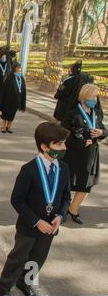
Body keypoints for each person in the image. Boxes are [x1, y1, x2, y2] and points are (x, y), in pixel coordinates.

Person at [0, 122, 71, 296]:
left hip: (50, 228)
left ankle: (25, 282)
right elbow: (17, 200)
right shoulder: (29, 170)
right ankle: (4, 287)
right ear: (45, 147)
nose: (64, 147)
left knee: (38, 258)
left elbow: (66, 196)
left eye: (64, 143)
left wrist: (60, 215)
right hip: (29, 227)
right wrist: (37, 222)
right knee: (18, 258)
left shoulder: (64, 169)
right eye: (59, 144)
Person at [61, 84, 107, 224]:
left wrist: (102, 133)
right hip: (74, 155)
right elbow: (63, 134)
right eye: (92, 97)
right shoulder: (73, 113)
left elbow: (104, 130)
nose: (94, 99)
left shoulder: (97, 113)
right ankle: (61, 210)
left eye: (95, 97)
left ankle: (73, 210)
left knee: (86, 185)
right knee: (68, 184)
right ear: (84, 97)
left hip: (91, 155)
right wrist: (79, 143)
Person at [0, 63, 26, 133]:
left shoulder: (21, 78)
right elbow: (4, 90)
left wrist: (22, 104)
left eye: (20, 69)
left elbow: (24, 90)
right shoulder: (10, 78)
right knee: (5, 114)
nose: (19, 71)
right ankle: (3, 127)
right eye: (18, 69)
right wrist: (1, 101)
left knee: (12, 115)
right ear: (14, 69)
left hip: (16, 101)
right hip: (8, 100)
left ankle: (8, 127)